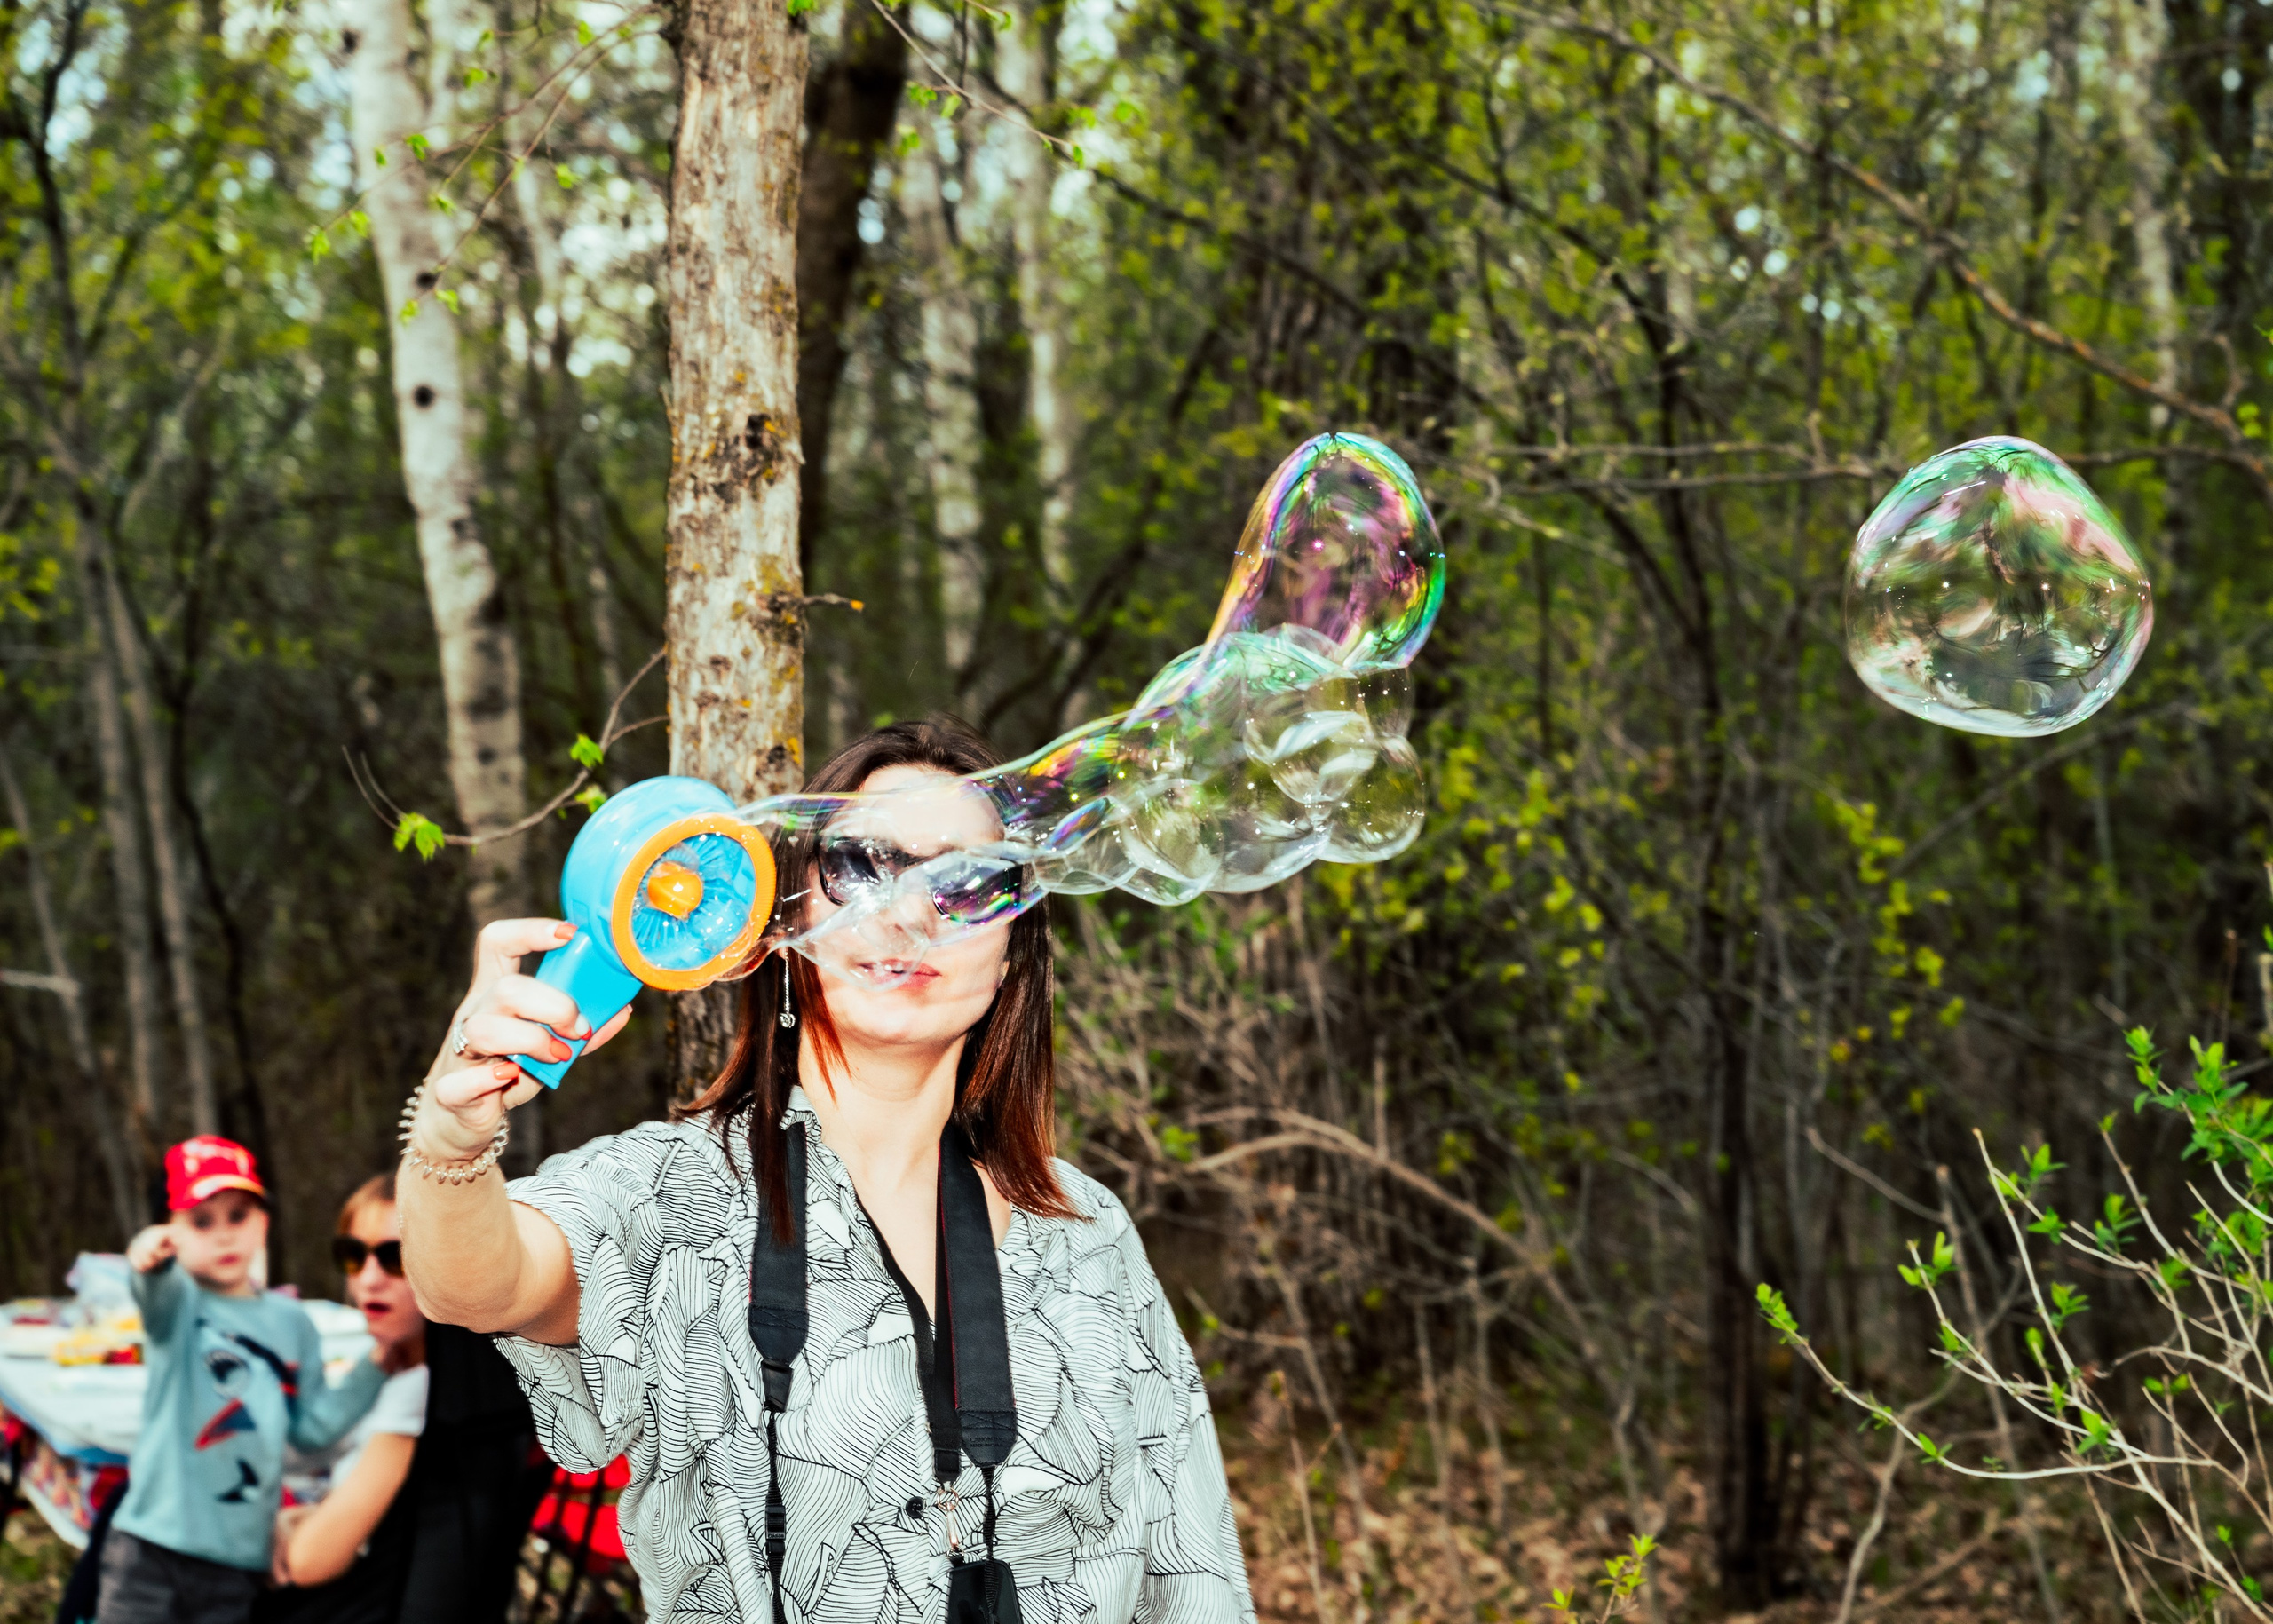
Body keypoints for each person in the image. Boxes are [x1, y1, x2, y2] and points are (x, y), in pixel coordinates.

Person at [397, 717, 1256, 1623]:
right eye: (861, 866)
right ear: (787, 920)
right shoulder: (676, 1195)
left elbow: (1191, 1561)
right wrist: (452, 1136)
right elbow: (477, 1283)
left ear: (1010, 956)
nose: (912, 911)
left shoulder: (1086, 1228)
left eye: (967, 883)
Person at [100, 1137, 388, 1624]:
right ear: (169, 1229)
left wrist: (378, 1365)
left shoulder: (293, 1323)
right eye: (201, 1221)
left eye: (239, 1215)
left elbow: (310, 1431)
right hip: (150, 1548)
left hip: (238, 1561)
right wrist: (146, 1257)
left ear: (265, 1222)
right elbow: (153, 1287)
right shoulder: (178, 1305)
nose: (224, 1235)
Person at [256, 1174, 428, 1620]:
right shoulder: (393, 1361)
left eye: (395, 1258)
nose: (368, 1280)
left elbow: (309, 1562)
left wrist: (288, 1528)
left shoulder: (421, 1391)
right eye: (353, 1256)